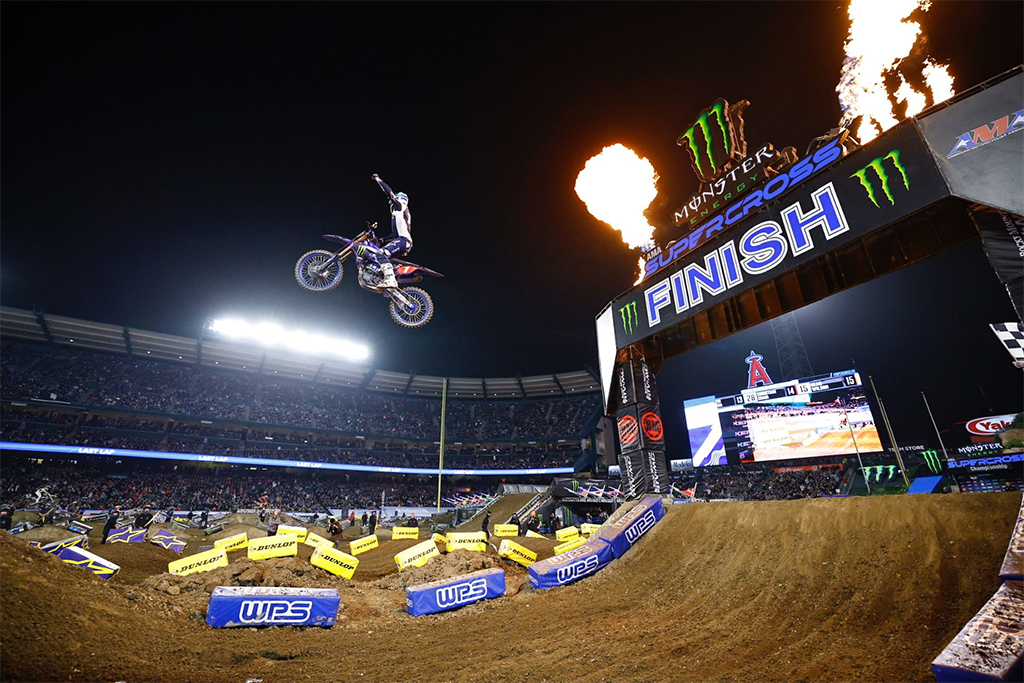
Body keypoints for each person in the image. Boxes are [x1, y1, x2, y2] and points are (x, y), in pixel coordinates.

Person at [371, 173, 412, 289]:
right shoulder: (398, 213)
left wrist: (378, 179)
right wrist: (382, 239)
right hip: (402, 240)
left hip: (403, 240)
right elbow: (395, 234)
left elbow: (389, 193)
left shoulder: (401, 206)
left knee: (380, 253)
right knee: (382, 257)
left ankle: (390, 280)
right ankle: (385, 280)